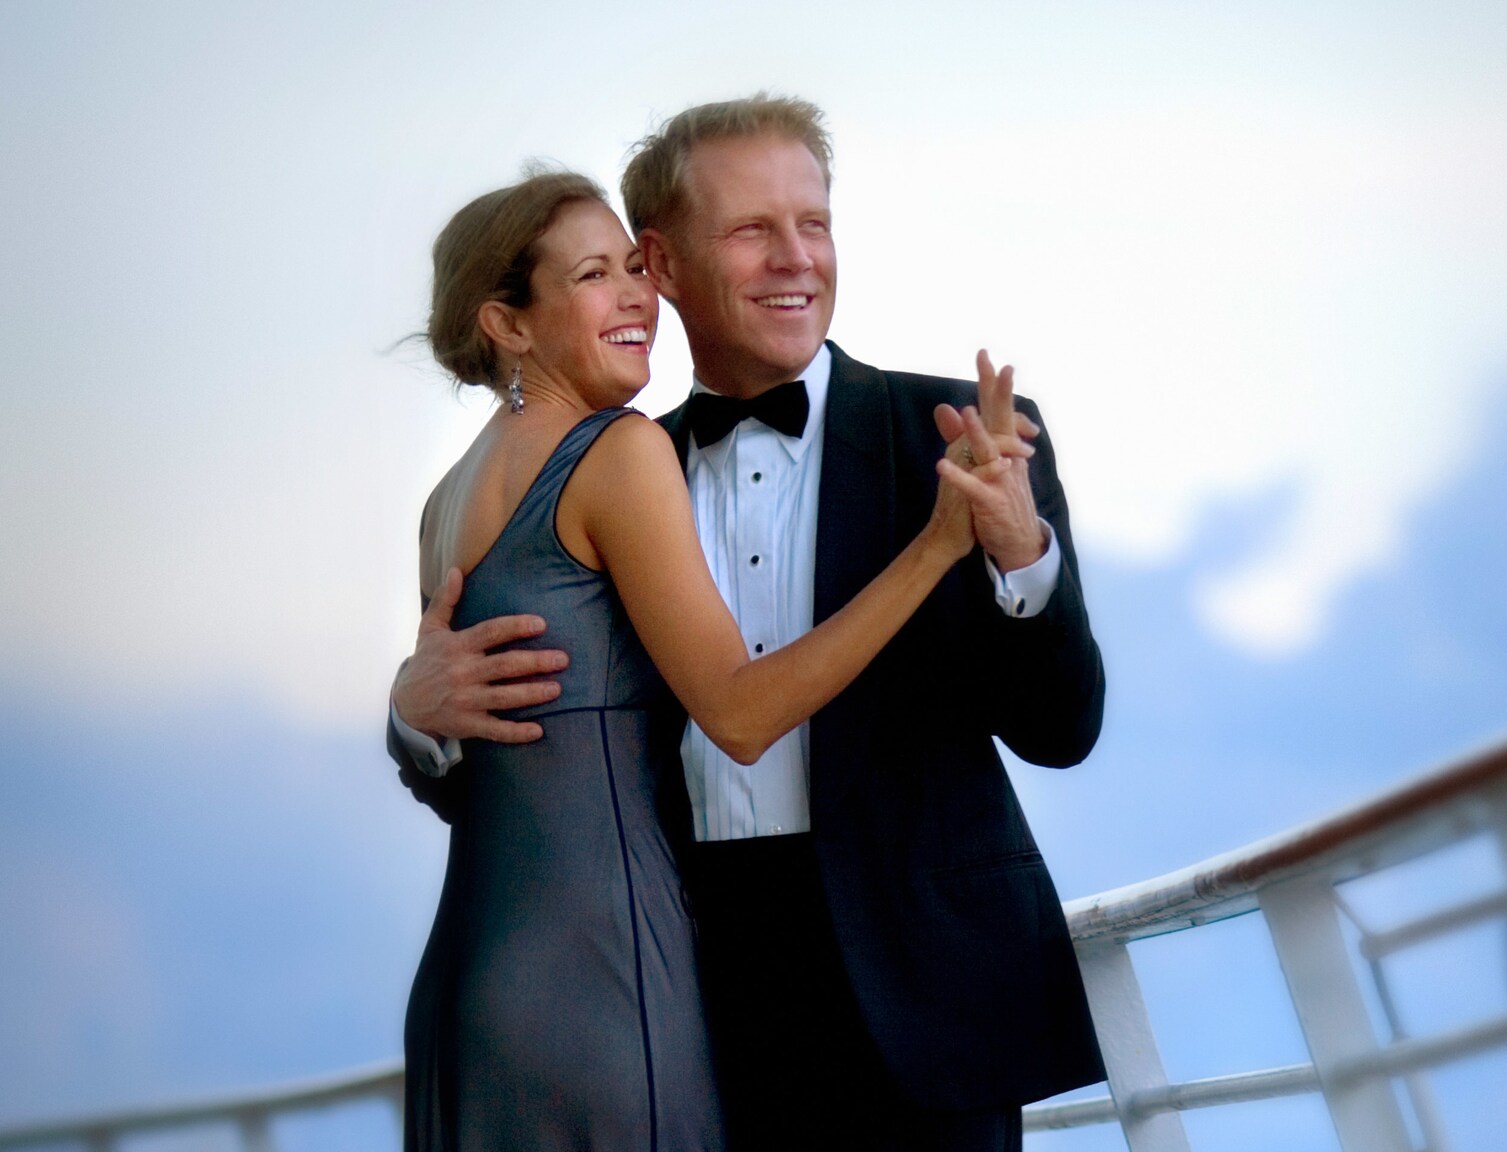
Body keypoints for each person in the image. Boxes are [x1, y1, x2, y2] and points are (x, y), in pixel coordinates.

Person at [392, 95, 1107, 1151]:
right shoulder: (613, 460)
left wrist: (1014, 554)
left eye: (812, 223)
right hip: (691, 987)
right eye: (749, 229)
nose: (794, 259)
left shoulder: (953, 434)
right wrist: (417, 715)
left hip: (921, 992)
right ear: (664, 262)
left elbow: (1062, 727)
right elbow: (523, 761)